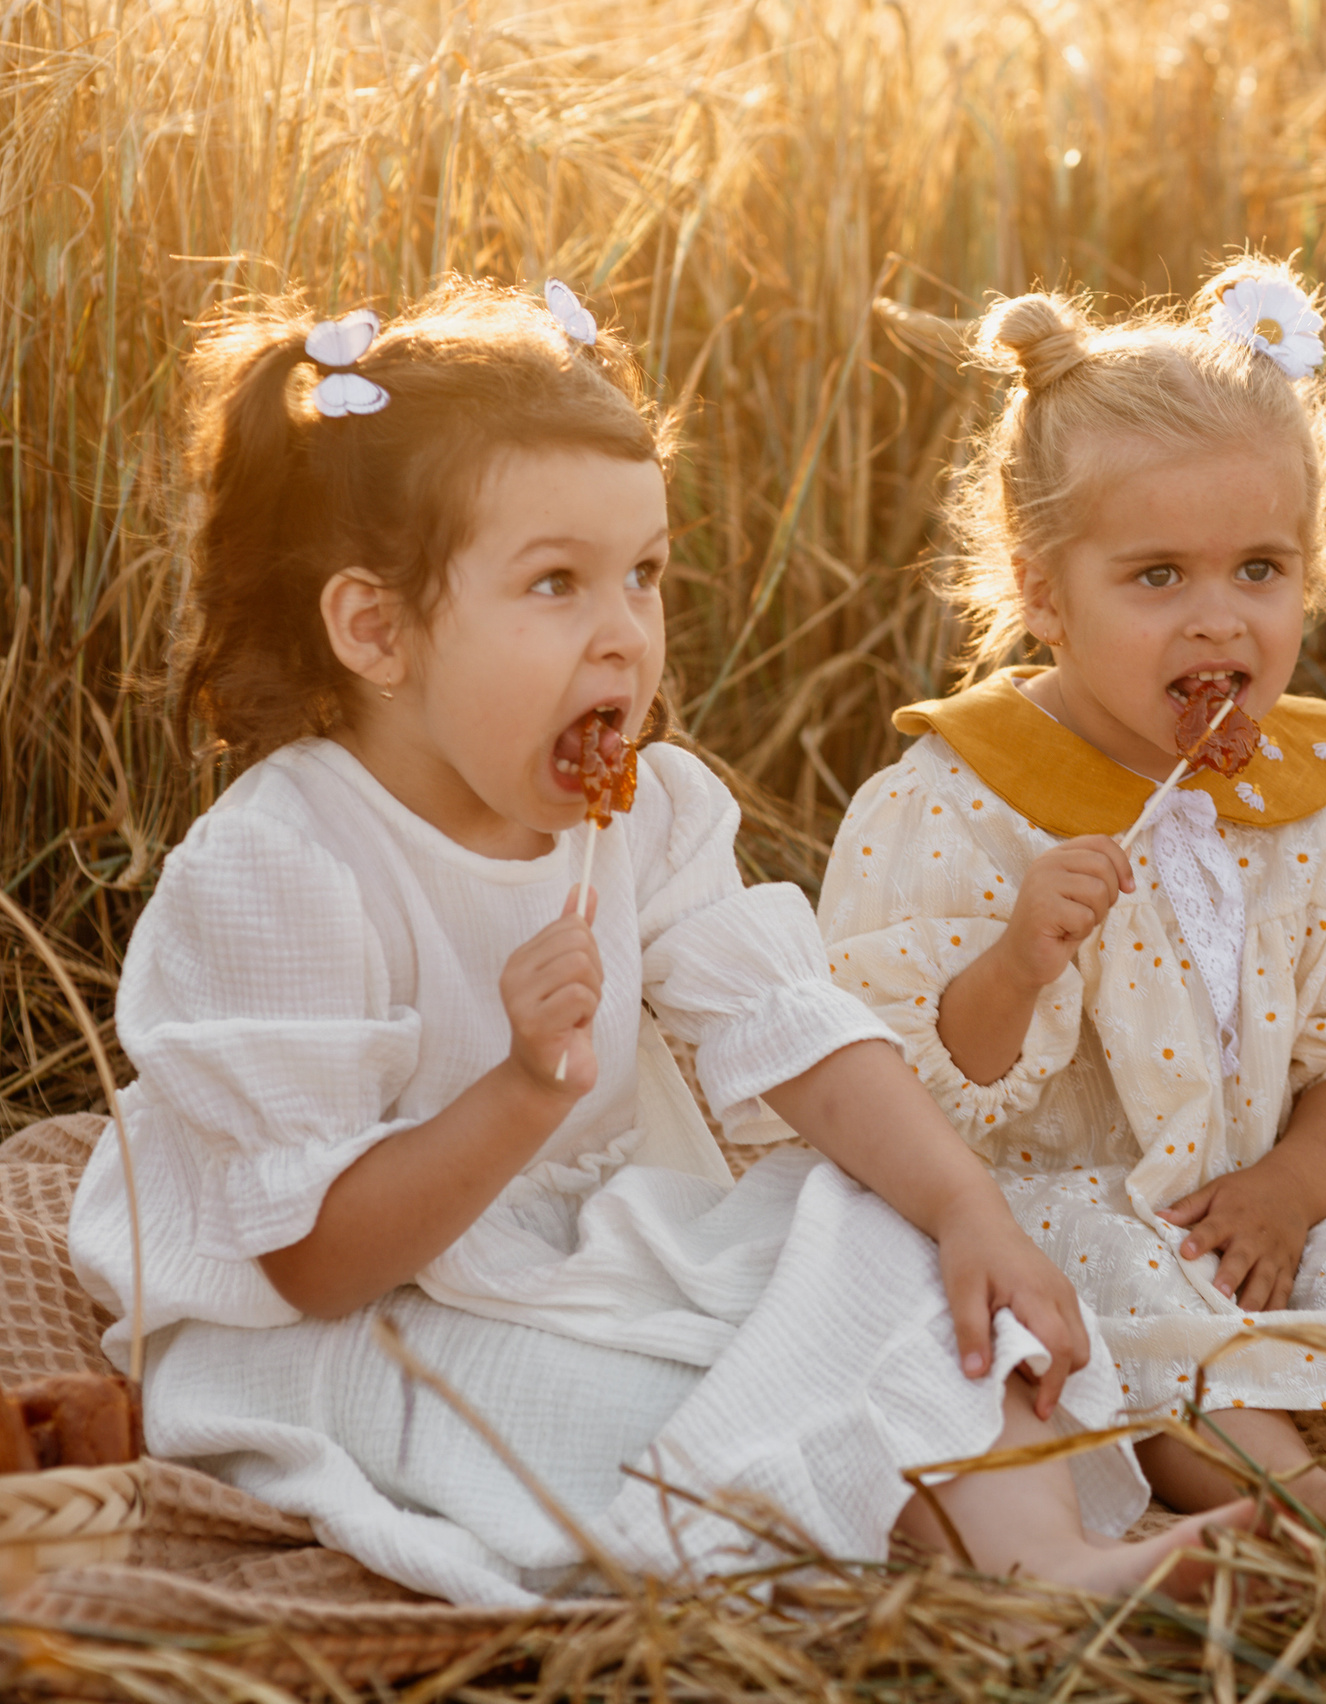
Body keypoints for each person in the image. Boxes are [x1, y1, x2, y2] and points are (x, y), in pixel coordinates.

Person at [68, 278, 1249, 1609]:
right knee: (604, 1402)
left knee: (891, 1240)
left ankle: (1050, 1558)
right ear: (376, 630)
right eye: (555, 583)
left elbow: (793, 1031)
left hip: (581, 1240)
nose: (624, 633)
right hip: (355, 1320)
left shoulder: (645, 814)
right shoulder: (286, 866)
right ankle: (933, 1554)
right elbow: (317, 1260)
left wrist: (969, 1212)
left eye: (643, 574)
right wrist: (523, 1092)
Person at [819, 260, 1326, 1574]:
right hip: (1073, 1192)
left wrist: (1290, 1188)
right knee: (1126, 1281)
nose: (1218, 617)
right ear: (1043, 592)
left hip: (1280, 1175)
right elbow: (923, 1088)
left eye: (1258, 569)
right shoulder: (962, 808)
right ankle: (1317, 1508)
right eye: (1157, 576)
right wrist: (1017, 963)